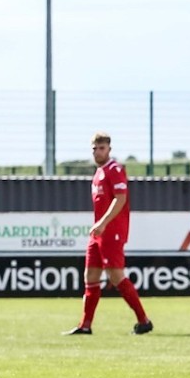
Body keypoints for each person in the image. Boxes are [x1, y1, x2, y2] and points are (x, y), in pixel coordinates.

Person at [63, 132, 153, 336]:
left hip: (111, 231)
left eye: (101, 148)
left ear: (109, 149)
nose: (97, 152)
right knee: (90, 276)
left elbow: (120, 199)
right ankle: (85, 325)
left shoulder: (115, 170)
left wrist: (103, 223)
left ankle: (144, 321)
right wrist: (99, 226)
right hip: (98, 232)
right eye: (94, 148)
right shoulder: (98, 173)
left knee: (115, 275)